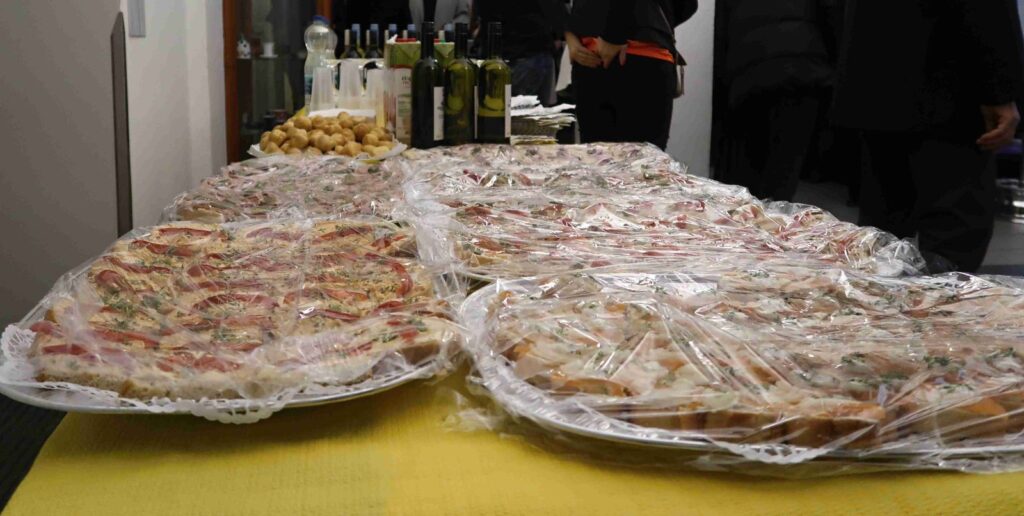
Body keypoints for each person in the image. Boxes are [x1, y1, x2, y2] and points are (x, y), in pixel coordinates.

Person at [832, 0, 1024, 273]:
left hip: (875, 75)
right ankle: (938, 299)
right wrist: (1000, 90)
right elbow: (986, 10)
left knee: (884, 236)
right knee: (952, 237)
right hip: (946, 86)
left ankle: (879, 298)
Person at [711, 0, 836, 202]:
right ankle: (776, 211)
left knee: (747, 167)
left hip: (750, 73)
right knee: (785, 166)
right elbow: (831, 17)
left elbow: (720, 34)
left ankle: (748, 214)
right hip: (803, 68)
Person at [565, 0, 697, 150]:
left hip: (592, 54)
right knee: (646, 158)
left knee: (597, 157)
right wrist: (650, 23)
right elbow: (688, 5)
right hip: (644, 54)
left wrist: (570, 32)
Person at [474, 0, 569, 106]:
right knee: (529, 111)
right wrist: (557, 35)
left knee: (499, 108)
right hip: (530, 49)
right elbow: (558, 12)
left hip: (500, 51)